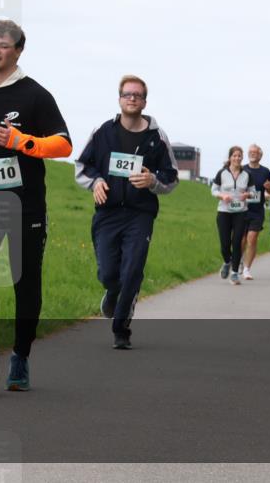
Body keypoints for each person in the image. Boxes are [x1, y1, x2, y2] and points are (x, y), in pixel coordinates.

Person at [0, 20, 72, 393]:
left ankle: (21, 356)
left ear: (18, 50)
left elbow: (64, 144)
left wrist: (24, 142)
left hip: (26, 206)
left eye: (3, 46)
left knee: (25, 284)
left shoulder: (35, 95)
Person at [75, 75, 179, 349]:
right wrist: (96, 181)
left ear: (145, 101)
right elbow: (82, 166)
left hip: (139, 214)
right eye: (127, 94)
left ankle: (121, 329)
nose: (132, 99)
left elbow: (172, 177)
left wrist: (153, 181)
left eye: (137, 95)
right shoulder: (103, 132)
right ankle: (113, 291)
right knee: (109, 273)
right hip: (107, 213)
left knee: (132, 269)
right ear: (119, 99)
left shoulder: (157, 137)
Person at [212, 146, 255, 285]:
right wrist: (222, 195)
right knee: (225, 244)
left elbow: (254, 193)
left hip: (241, 213)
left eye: (239, 156)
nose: (237, 158)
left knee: (237, 243)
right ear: (230, 157)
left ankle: (235, 273)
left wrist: (247, 195)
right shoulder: (222, 173)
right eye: (234, 156)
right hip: (224, 212)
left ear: (242, 158)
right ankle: (226, 262)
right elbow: (213, 190)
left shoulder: (247, 174)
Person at [240, 144, 270, 280]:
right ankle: (239, 263)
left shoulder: (265, 171)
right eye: (250, 152)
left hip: (257, 211)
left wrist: (269, 188)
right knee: (241, 240)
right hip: (242, 210)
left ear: (260, 155)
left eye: (255, 152)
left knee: (252, 239)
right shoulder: (242, 169)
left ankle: (247, 269)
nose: (252, 154)